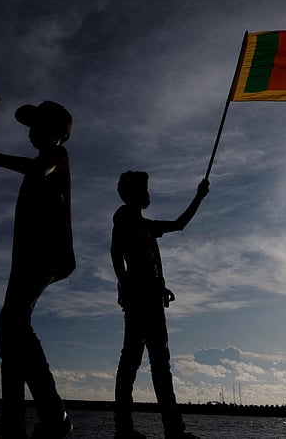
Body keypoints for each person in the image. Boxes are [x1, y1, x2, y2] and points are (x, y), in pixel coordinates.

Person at [0, 100, 76, 439]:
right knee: (10, 333)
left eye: (38, 123)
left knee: (13, 322)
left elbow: (39, 170)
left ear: (57, 131)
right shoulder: (43, 162)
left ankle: (53, 413)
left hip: (45, 257)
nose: (32, 131)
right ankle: (15, 423)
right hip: (27, 259)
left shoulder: (55, 158)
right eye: (31, 125)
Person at [111, 171, 209, 439]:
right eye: (144, 188)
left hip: (151, 298)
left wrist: (198, 197)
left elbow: (179, 225)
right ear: (132, 193)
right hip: (139, 299)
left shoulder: (144, 226)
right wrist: (124, 284)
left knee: (157, 363)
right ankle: (127, 428)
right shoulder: (125, 218)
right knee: (134, 362)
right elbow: (116, 253)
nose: (148, 193)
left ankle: (171, 429)